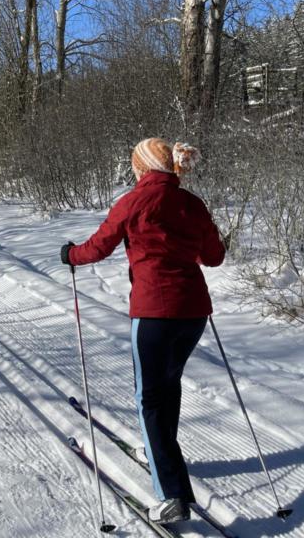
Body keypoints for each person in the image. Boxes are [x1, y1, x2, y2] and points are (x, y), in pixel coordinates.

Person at [60, 137, 226, 524]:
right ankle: (157, 453)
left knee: (149, 397)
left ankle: (172, 495)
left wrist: (70, 255)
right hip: (194, 313)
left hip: (153, 314)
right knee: (169, 385)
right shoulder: (192, 203)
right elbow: (214, 256)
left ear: (142, 168)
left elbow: (98, 247)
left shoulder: (134, 201)